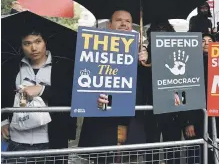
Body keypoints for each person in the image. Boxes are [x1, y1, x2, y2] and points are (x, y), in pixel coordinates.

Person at [78, 10, 148, 163]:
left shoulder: (141, 53)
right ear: (110, 25)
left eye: (128, 21)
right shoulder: (93, 47)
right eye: (119, 20)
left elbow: (149, 89)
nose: (124, 24)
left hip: (131, 124)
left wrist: (145, 63)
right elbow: (84, 83)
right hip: (103, 124)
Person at [1, 30, 76, 162]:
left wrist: (42, 90)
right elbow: (4, 94)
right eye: (27, 43)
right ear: (21, 45)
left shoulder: (63, 67)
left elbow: (70, 96)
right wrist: (3, 121)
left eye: (37, 41)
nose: (33, 48)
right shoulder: (12, 67)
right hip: (17, 140)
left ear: (45, 42)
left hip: (52, 140)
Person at [138, 19, 183, 164]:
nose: (161, 32)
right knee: (152, 148)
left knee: (173, 148)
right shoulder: (144, 53)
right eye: (158, 29)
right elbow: (142, 81)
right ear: (151, 34)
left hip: (172, 109)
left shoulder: (177, 52)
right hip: (151, 108)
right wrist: (142, 61)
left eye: (165, 29)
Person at [182, 33, 219, 164]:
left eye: (210, 40)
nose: (206, 43)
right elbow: (185, 93)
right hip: (196, 117)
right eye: (203, 41)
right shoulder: (189, 64)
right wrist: (188, 121)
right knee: (196, 153)